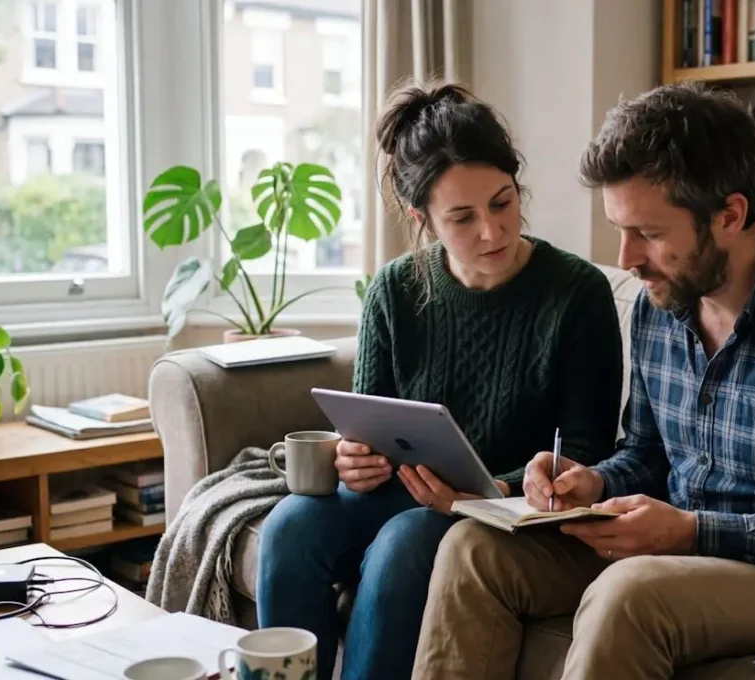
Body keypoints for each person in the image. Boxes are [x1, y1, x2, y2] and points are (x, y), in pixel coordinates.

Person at [410, 82, 755, 680]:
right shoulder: (658, 305)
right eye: (620, 229)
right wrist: (592, 481)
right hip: (680, 550)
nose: (627, 258)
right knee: (474, 550)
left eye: (650, 233)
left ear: (729, 216)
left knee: (629, 595)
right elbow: (647, 452)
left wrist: (692, 531)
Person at [255, 81, 625, 680]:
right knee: (290, 526)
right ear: (421, 218)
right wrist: (353, 460)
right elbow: (368, 425)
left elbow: (589, 451)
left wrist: (488, 492)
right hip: (406, 490)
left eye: (502, 203)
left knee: (405, 542)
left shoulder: (577, 294)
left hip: (505, 511)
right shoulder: (394, 290)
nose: (492, 231)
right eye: (462, 217)